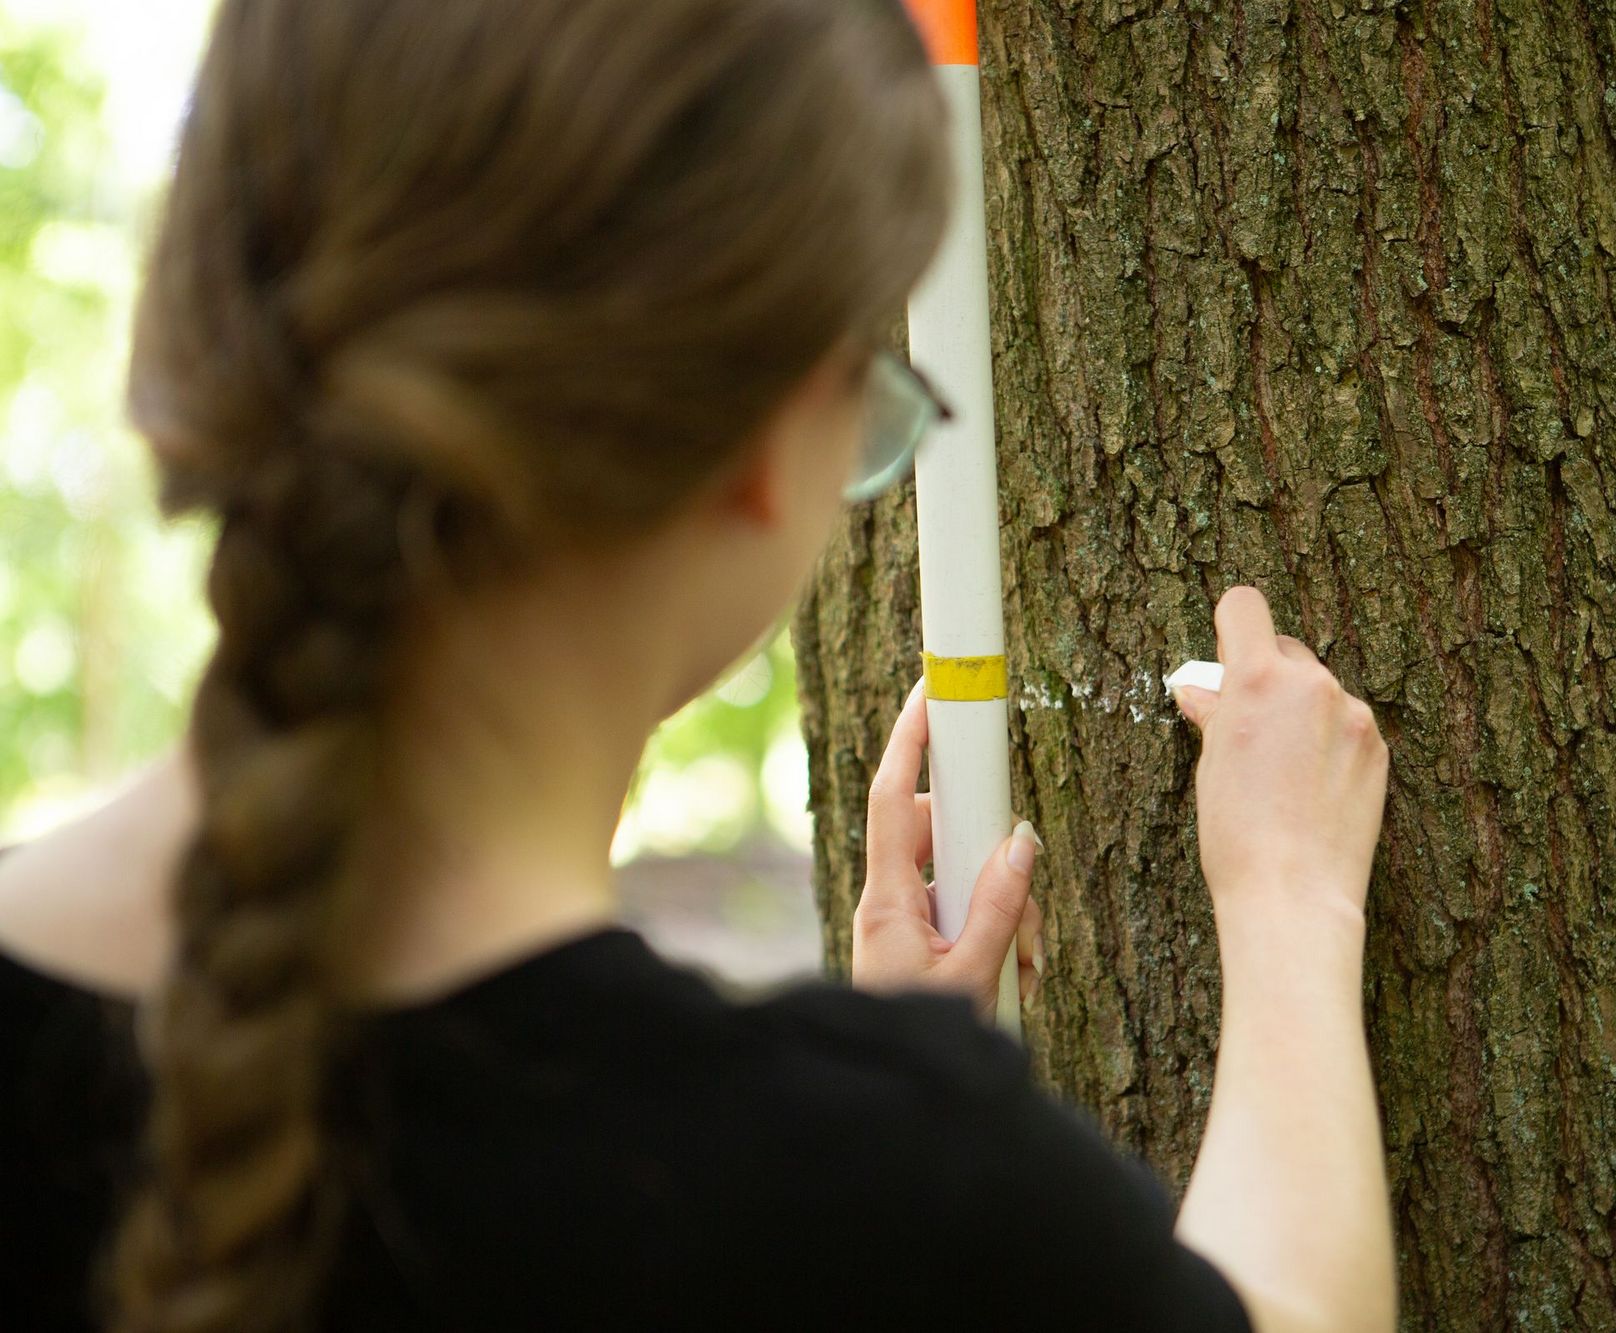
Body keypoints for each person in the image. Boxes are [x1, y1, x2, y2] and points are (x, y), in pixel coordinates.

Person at [0, 1, 1395, 1330]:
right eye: (872, 406)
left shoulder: (844, 1177)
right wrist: (1292, 904)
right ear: (761, 444)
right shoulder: (880, 1203)